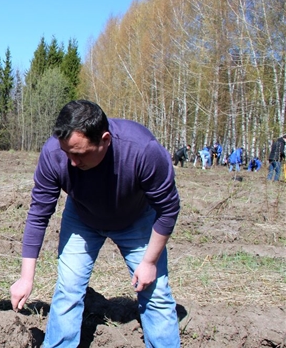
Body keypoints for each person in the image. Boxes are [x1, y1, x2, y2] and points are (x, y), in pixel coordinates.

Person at [10, 100, 180, 347]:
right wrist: (26, 277)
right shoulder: (54, 153)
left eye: (79, 154)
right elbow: (39, 214)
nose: (72, 163)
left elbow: (168, 209)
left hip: (136, 218)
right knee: (68, 289)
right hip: (82, 218)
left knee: (155, 293)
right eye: (66, 153)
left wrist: (150, 262)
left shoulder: (142, 150)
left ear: (105, 139)